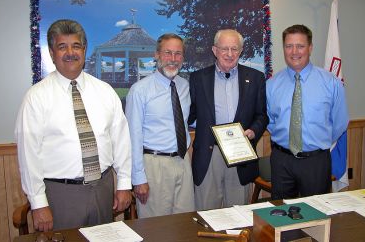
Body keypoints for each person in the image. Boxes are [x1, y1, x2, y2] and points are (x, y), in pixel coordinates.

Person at [15, 19, 132, 231]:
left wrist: (124, 184)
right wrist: (39, 203)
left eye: (76, 46)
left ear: (84, 50)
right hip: (61, 195)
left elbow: (121, 141)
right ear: (52, 53)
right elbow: (28, 155)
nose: (70, 52)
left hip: (103, 189)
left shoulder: (105, 91)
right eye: (62, 47)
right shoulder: (36, 97)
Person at [188, 29, 268, 210]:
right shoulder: (198, 78)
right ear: (215, 50)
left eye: (235, 49)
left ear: (240, 51)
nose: (230, 54)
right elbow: (190, 114)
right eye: (225, 49)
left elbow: (262, 115)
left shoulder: (255, 78)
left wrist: (254, 130)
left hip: (239, 154)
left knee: (238, 212)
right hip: (209, 153)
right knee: (206, 213)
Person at [266, 24, 349, 199]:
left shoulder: (331, 83)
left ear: (310, 48)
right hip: (282, 160)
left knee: (316, 217)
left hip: (316, 161)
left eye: (300, 46)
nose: (294, 51)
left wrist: (315, 142)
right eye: (289, 46)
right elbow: (270, 121)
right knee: (281, 216)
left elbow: (340, 123)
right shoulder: (272, 85)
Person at [125, 33, 195, 218]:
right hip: (154, 166)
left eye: (178, 54)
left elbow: (186, 121)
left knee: (184, 222)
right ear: (156, 55)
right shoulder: (140, 90)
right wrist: (138, 178)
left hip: (182, 162)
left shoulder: (184, 86)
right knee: (155, 229)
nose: (173, 59)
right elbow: (133, 136)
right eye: (167, 53)